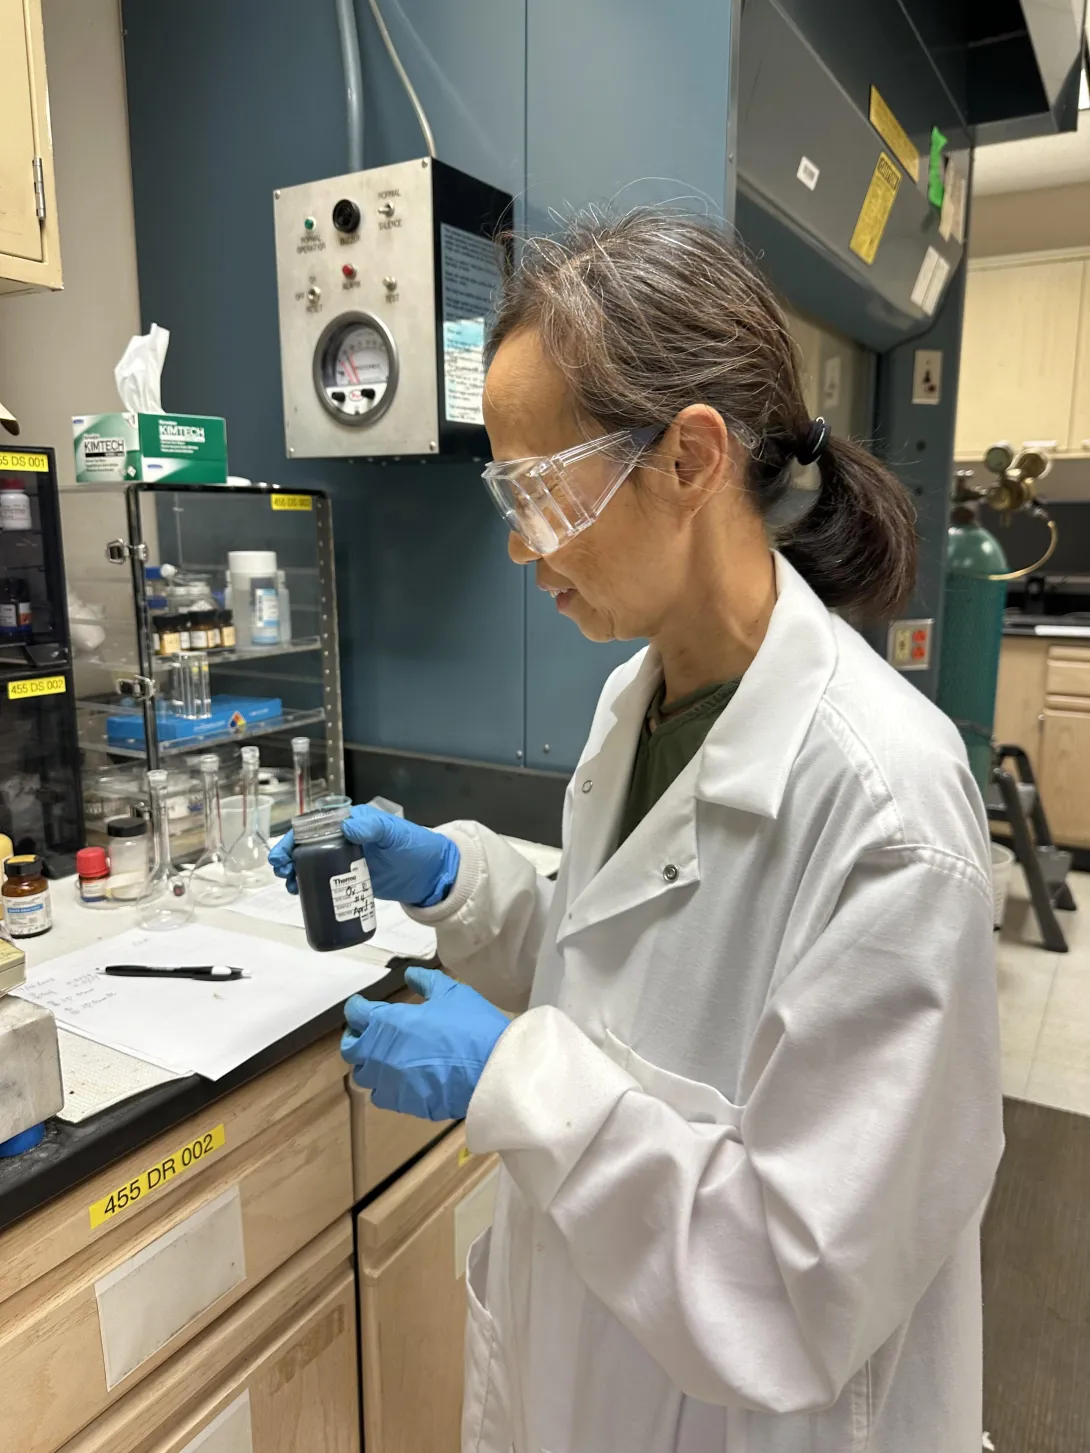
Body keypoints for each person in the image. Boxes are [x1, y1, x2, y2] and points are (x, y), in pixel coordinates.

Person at [271, 210, 1002, 1453]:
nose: (519, 544)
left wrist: (510, 1080)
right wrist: (464, 885)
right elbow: (637, 972)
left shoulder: (888, 810)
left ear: (690, 457)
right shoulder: (641, 692)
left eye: (541, 489)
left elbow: (792, 1282)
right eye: (506, 491)